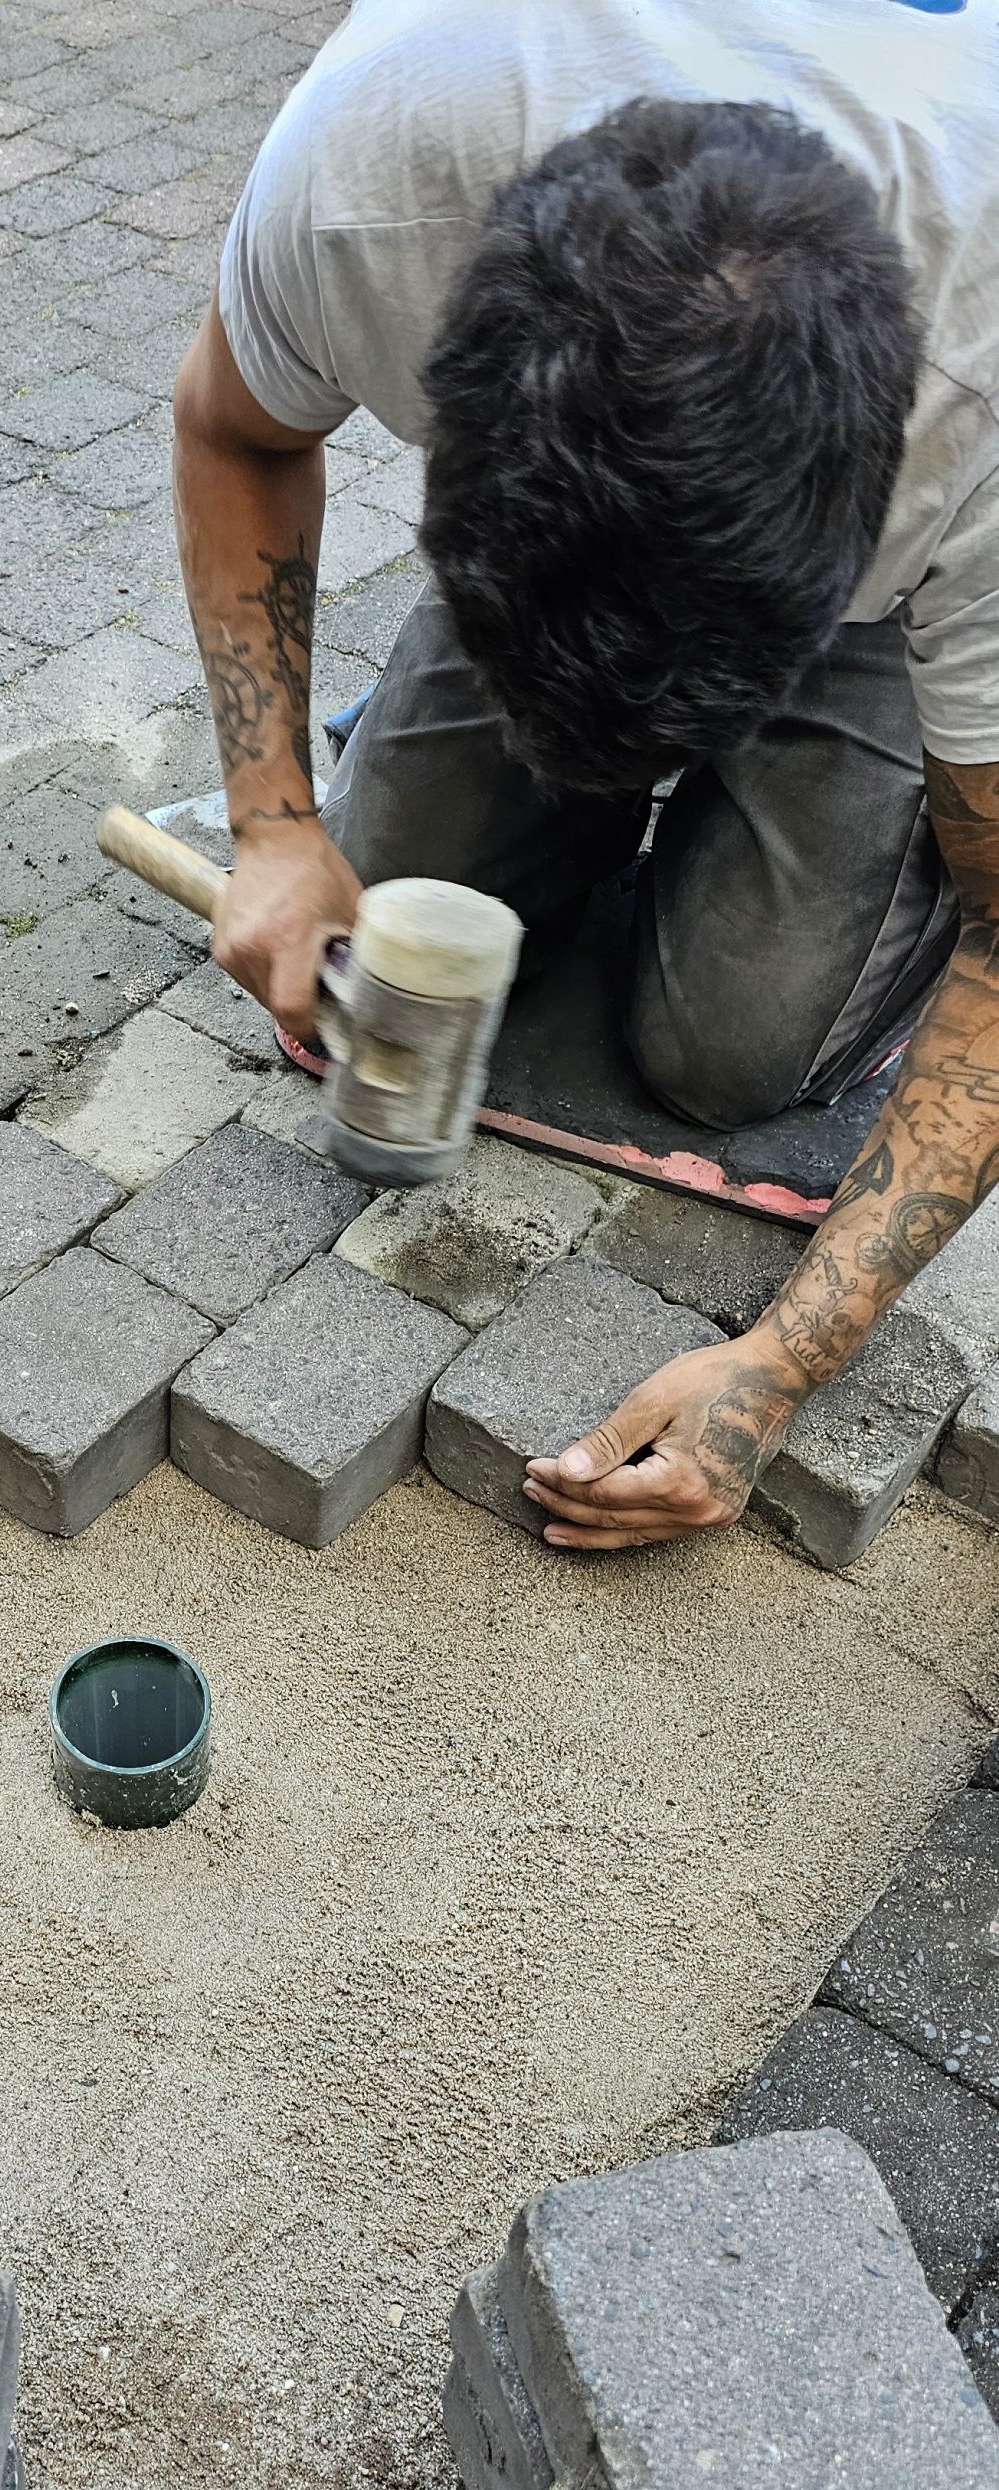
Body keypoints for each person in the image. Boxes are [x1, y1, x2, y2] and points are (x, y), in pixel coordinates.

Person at [172, 0, 999, 1550]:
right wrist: (273, 825)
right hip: (599, 509)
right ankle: (559, 707)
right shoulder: (370, 168)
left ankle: (813, 754)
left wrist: (781, 1362)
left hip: (895, 606)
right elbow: (230, 430)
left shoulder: (983, 397)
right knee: (395, 921)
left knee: (734, 1054)